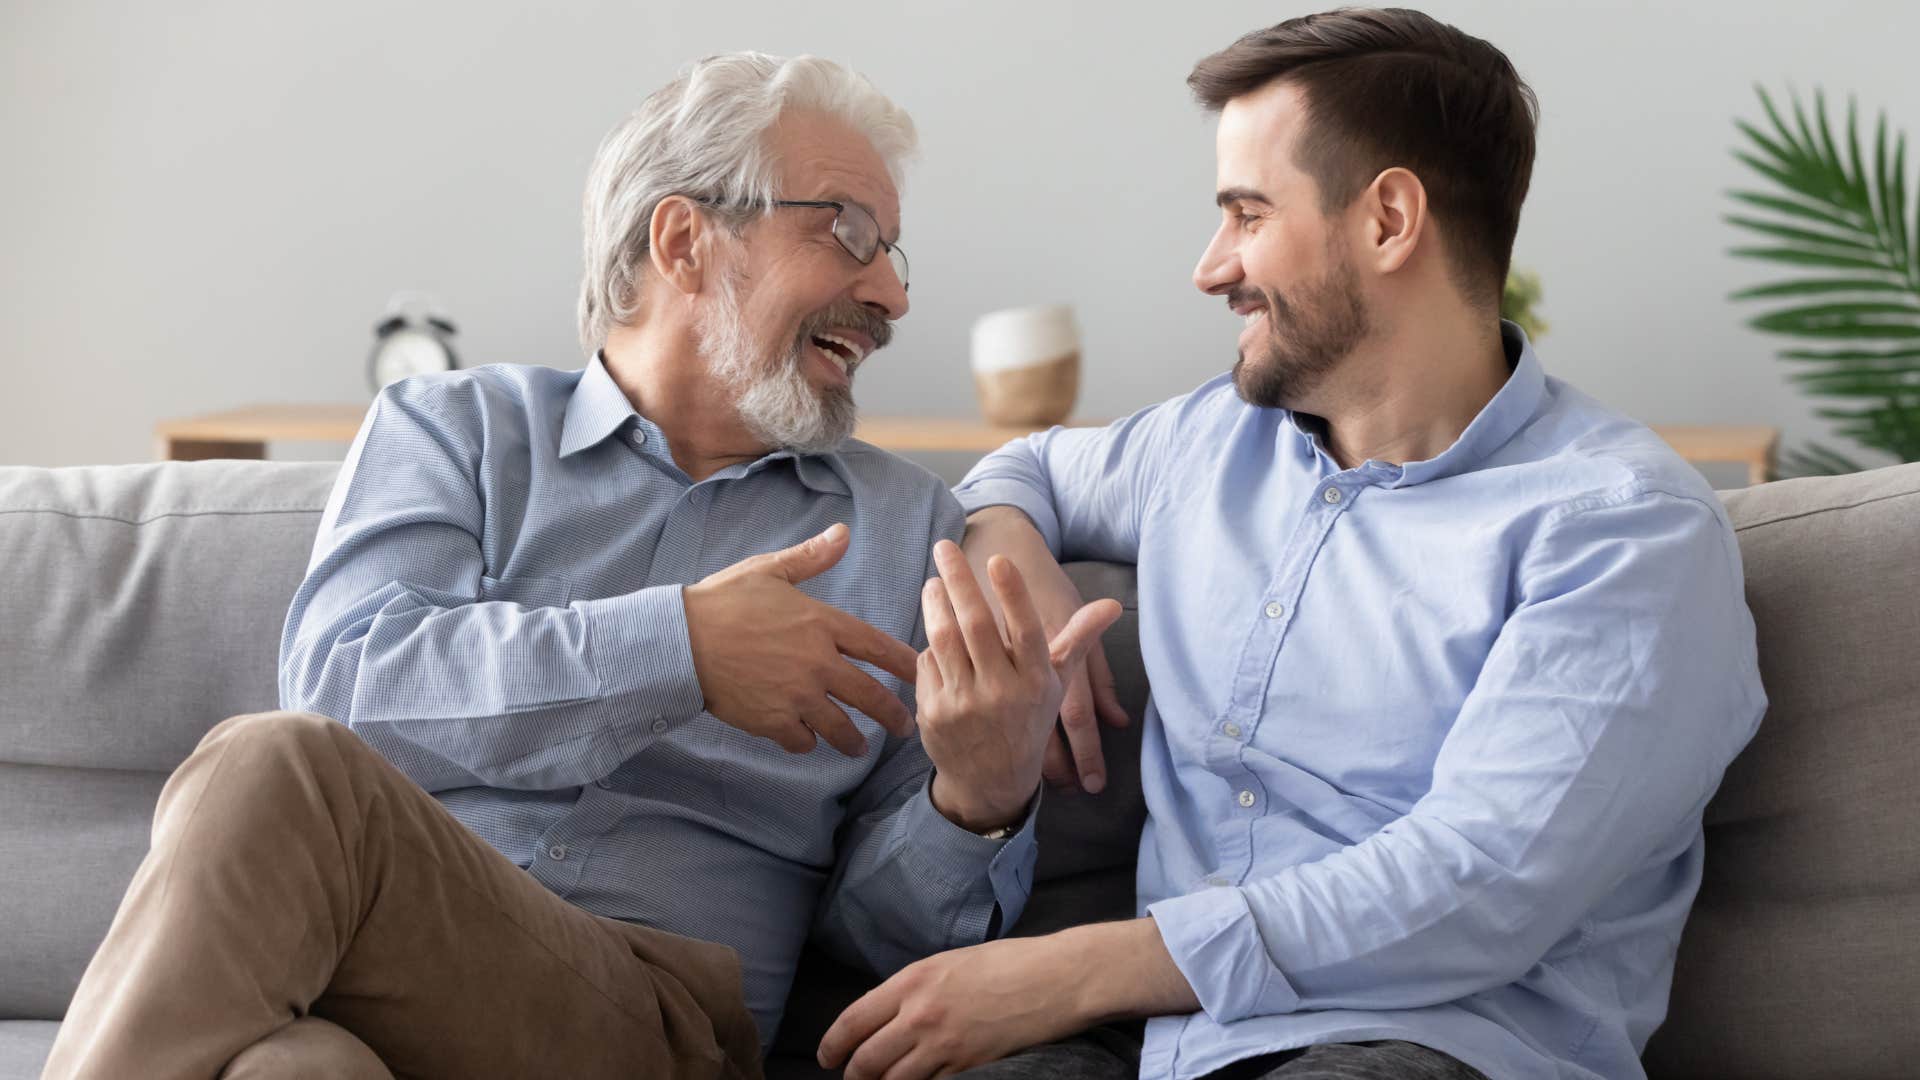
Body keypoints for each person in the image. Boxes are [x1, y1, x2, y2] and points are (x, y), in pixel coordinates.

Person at [43, 52, 1115, 1080]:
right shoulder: (454, 431)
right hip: (371, 976)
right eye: (849, 233)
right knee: (292, 1066)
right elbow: (345, 679)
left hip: (657, 1021)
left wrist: (976, 798)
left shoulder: (903, 528)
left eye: (893, 252)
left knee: (274, 769)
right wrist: (679, 648)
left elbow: (884, 949)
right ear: (686, 240)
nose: (891, 292)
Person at [817, 9, 1766, 1080]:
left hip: (1436, 1049)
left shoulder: (1620, 531)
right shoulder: (1211, 443)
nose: (1210, 267)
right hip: (1163, 1050)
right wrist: (1012, 554)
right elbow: (1020, 470)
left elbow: (1478, 885)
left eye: (1246, 215)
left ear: (1390, 219)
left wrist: (1077, 972)